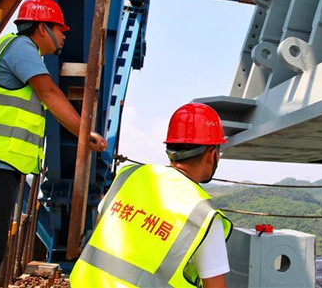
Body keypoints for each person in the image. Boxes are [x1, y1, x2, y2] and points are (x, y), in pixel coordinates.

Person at [0, 0, 107, 288]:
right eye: (60, 29)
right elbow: (50, 93)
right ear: (42, 28)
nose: (64, 35)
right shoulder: (22, 48)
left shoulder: (14, 49)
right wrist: (85, 133)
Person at [70, 102, 232, 288]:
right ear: (212, 153)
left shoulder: (127, 176)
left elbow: (101, 229)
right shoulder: (203, 215)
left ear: (170, 150)